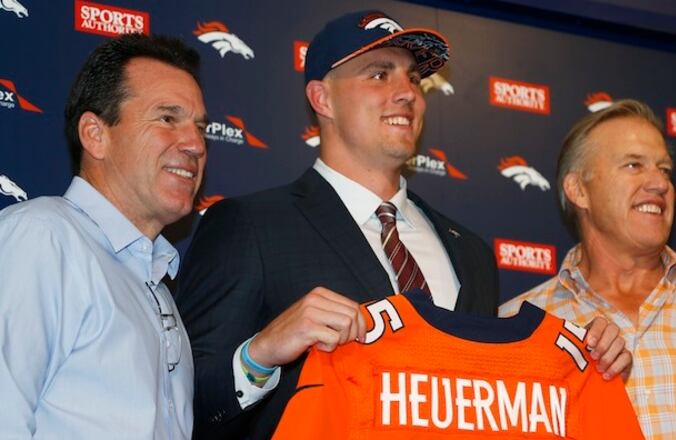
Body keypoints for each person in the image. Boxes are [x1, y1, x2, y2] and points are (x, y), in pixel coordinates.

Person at [176, 10, 629, 439]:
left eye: (414, 78)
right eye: (379, 74)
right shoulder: (250, 225)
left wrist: (591, 356)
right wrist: (260, 355)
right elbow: (181, 402)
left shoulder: (470, 252)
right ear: (322, 97)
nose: (408, 93)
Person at [499, 99, 676, 438]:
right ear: (579, 190)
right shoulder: (517, 325)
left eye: (664, 169)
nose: (660, 184)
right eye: (634, 165)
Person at [0, 34, 207, 439]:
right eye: (167, 119)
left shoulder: (155, 283)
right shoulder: (43, 239)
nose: (195, 144)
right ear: (95, 134)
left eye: (200, 127)